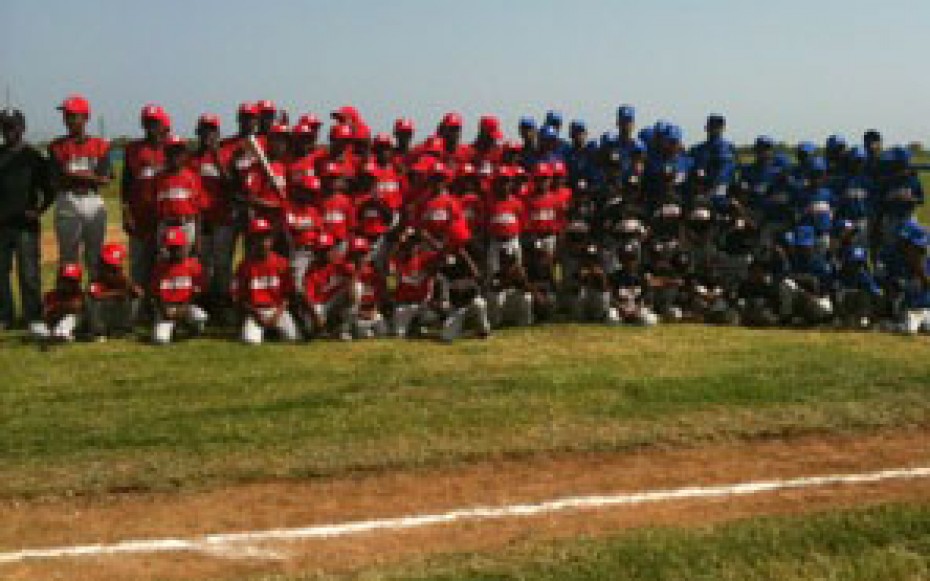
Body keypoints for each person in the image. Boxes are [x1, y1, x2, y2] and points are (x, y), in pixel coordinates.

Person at [47, 94, 112, 277]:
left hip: (93, 201)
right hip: (68, 199)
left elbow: (105, 178)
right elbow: (56, 181)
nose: (67, 120)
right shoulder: (56, 146)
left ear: (86, 118)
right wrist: (91, 177)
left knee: (95, 256)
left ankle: (93, 303)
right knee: (68, 258)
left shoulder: (100, 145)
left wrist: (72, 174)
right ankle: (69, 303)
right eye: (66, 115)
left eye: (72, 115)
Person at [0, 107, 53, 332]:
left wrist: (39, 210)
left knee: (29, 273)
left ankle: (33, 317)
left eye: (12, 126)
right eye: (4, 126)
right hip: (1, 225)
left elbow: (49, 191)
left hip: (25, 225)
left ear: (22, 128)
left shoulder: (34, 157)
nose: (7, 131)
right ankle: (5, 316)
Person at [189, 114, 236, 308]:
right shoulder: (190, 158)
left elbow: (232, 186)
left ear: (218, 134)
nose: (208, 134)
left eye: (212, 130)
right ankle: (205, 300)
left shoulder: (226, 155)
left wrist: (217, 157)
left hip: (222, 217)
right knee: (202, 262)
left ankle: (222, 300)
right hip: (200, 218)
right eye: (204, 130)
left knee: (223, 262)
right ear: (197, 132)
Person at [122, 104, 170, 288]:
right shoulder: (133, 149)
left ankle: (160, 303)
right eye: (148, 123)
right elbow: (126, 184)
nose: (151, 128)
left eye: (155, 123)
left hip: (164, 216)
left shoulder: (172, 149)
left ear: (163, 124)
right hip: (140, 214)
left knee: (163, 261)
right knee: (139, 262)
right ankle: (139, 306)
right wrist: (126, 212)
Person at [231, 217, 299, 344]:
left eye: (265, 237)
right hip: (255, 311)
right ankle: (261, 330)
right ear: (251, 240)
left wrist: (277, 315)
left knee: (292, 339)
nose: (262, 242)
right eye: (258, 237)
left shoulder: (281, 263)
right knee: (250, 341)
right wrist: (255, 314)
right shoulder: (245, 266)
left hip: (277, 309)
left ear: (271, 240)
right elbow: (239, 298)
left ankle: (271, 331)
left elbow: (287, 295)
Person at [150, 227, 208, 344]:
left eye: (177, 247)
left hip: (185, 306)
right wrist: (163, 310)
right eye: (170, 248)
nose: (174, 251)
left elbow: (198, 292)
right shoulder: (160, 267)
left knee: (200, 316)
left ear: (185, 247)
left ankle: (190, 330)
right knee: (160, 340)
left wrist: (184, 307)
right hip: (166, 308)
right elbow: (155, 294)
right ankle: (171, 327)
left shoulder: (194, 266)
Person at [154, 135, 203, 255]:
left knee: (185, 261)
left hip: (186, 225)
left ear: (185, 154)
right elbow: (155, 209)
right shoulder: (159, 178)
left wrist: (198, 239)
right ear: (165, 154)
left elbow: (198, 211)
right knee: (164, 262)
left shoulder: (192, 177)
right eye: (171, 152)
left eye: (178, 152)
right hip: (166, 226)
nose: (175, 156)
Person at [87, 243, 142, 341]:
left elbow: (139, 292)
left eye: (115, 268)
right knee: (93, 301)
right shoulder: (96, 278)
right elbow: (95, 295)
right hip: (101, 319)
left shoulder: (121, 277)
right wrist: (118, 293)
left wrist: (129, 285)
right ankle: (98, 332)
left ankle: (125, 329)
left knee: (135, 297)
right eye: (109, 266)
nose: (112, 270)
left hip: (115, 315)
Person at [34, 262, 85, 346]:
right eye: (65, 280)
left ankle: (60, 336)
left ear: (77, 283)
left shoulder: (80, 295)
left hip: (71, 328)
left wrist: (62, 308)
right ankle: (54, 337)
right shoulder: (50, 295)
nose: (68, 284)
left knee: (70, 318)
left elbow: (78, 310)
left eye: (72, 282)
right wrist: (62, 308)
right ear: (59, 280)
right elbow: (47, 315)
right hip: (52, 327)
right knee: (35, 326)